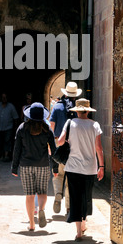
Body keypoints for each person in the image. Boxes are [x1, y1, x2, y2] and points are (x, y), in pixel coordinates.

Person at [58, 98, 104, 241]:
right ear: (88, 111)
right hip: (90, 168)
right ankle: (84, 223)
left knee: (75, 197)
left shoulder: (70, 123)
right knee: (86, 197)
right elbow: (98, 148)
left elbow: (60, 141)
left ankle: (78, 231)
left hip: (73, 167)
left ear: (77, 110)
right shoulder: (94, 125)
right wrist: (101, 166)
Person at [12, 102, 58, 231]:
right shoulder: (47, 129)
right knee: (42, 192)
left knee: (29, 195)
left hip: (26, 165)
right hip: (43, 164)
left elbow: (17, 149)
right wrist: (55, 167)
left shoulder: (22, 128)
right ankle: (42, 210)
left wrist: (14, 167)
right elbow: (53, 150)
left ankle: (32, 224)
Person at [49, 81, 82, 215]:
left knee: (58, 173)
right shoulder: (79, 108)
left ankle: (57, 193)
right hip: (74, 146)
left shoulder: (57, 107)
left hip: (59, 142)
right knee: (70, 177)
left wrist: (50, 145)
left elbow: (51, 127)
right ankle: (68, 207)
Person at [0, 92, 19, 161]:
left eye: (5, 97)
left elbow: (15, 118)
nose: (4, 99)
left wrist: (15, 127)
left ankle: (6, 155)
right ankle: (1, 155)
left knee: (7, 141)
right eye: (3, 97)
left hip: (8, 127)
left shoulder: (11, 106)